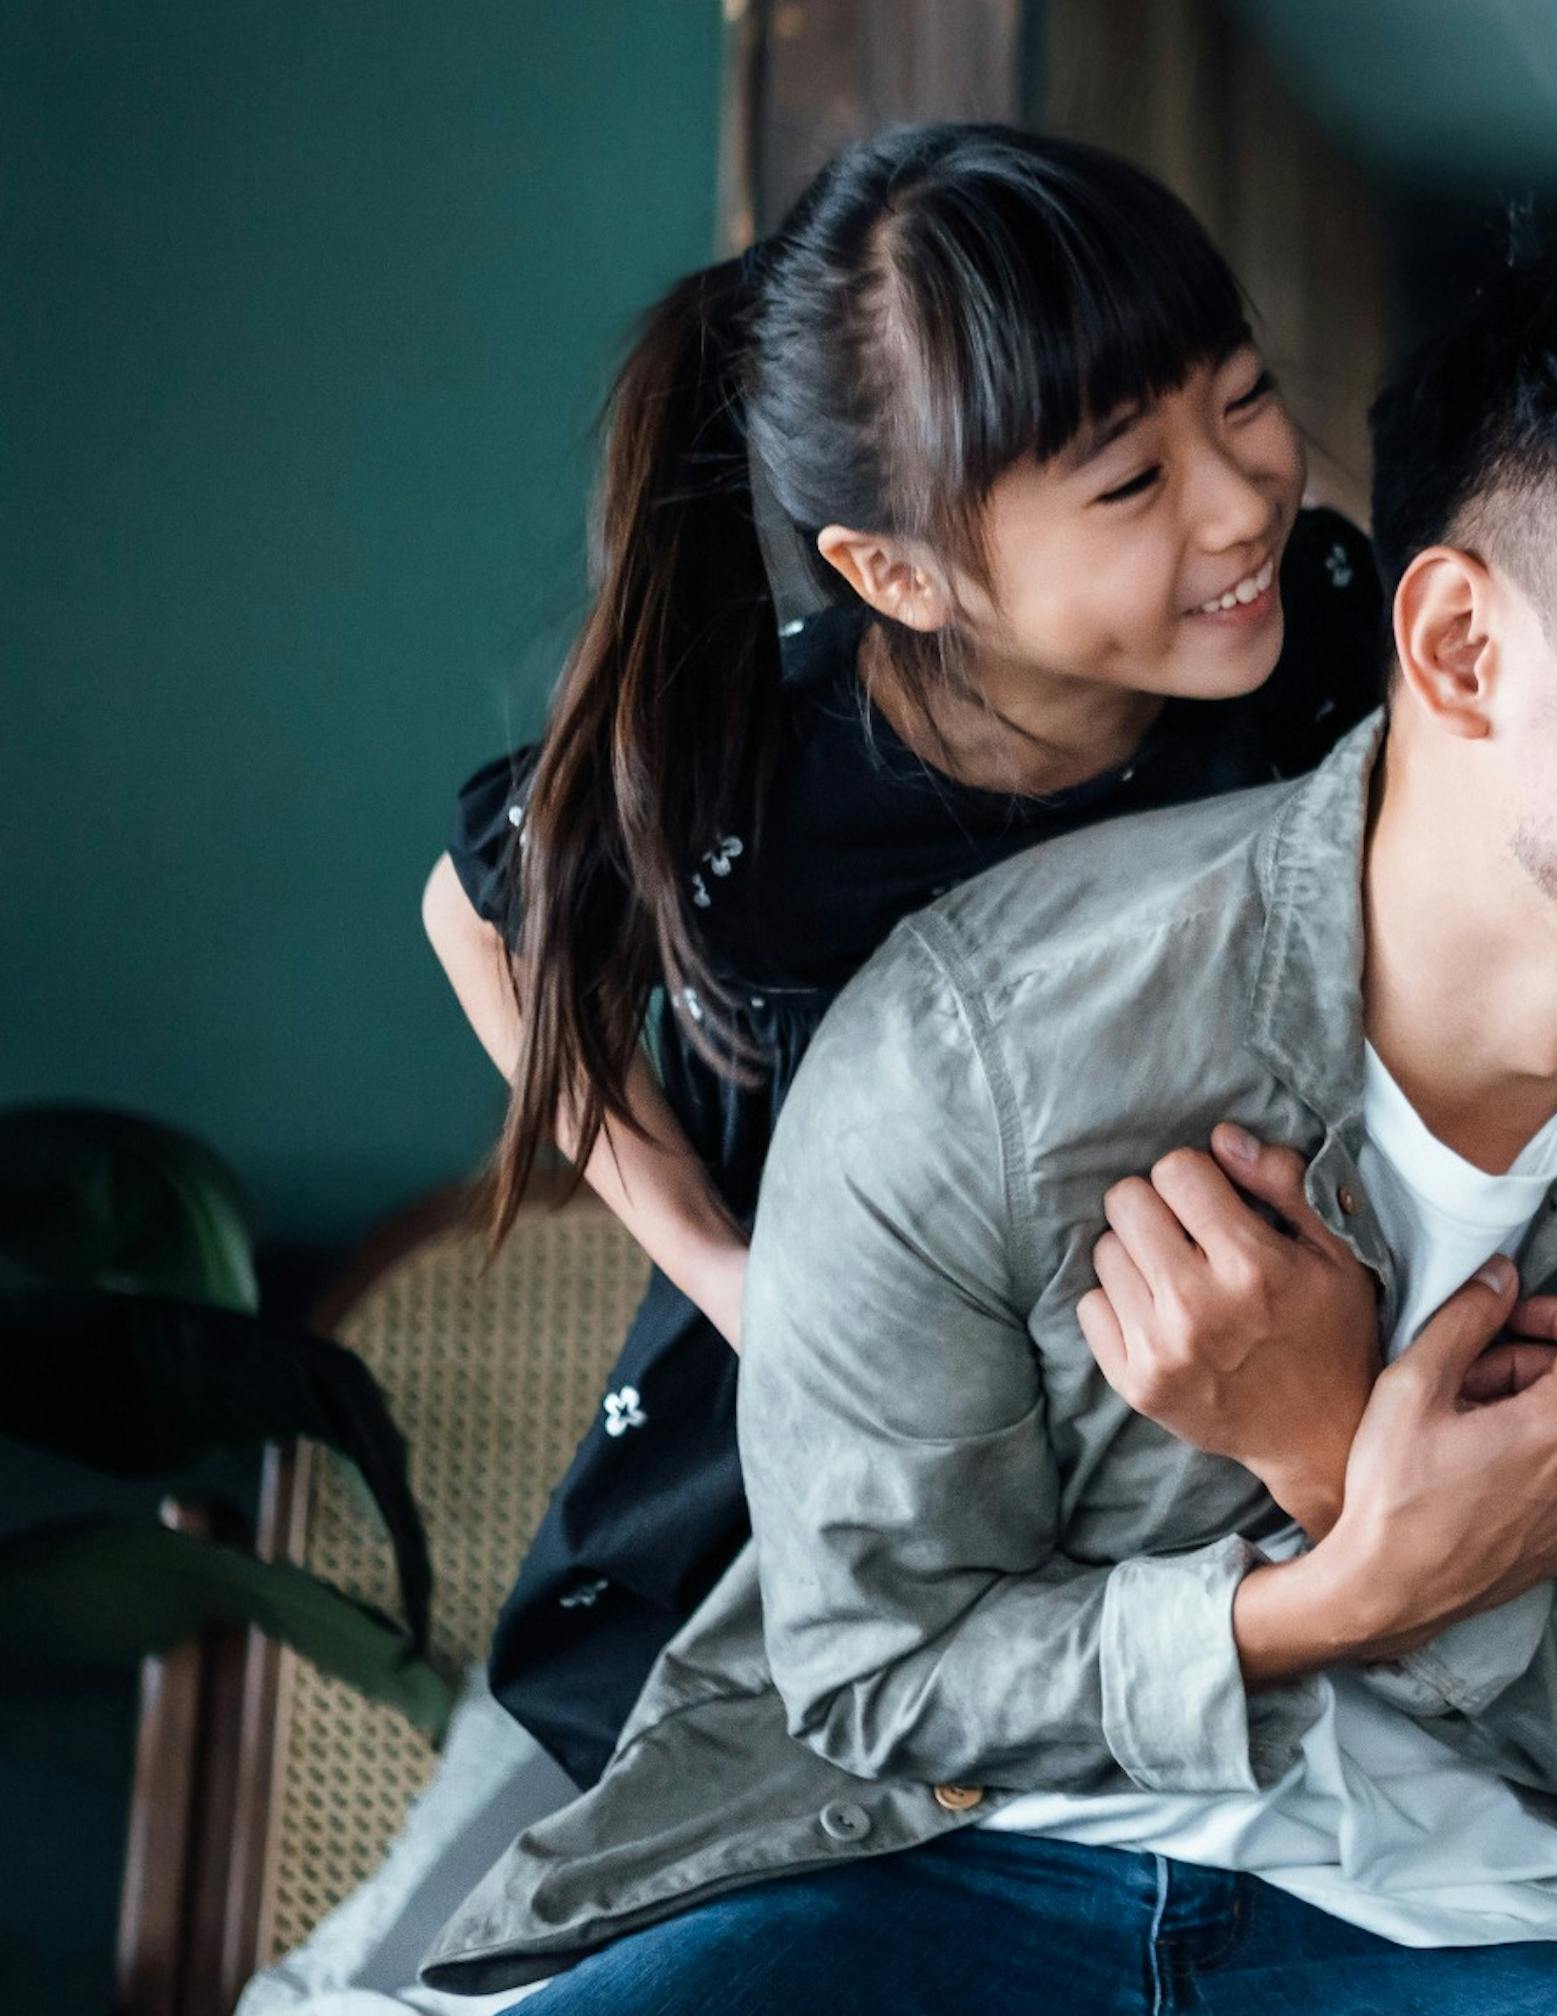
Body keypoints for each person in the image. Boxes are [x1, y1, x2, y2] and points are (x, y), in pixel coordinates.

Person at [413, 225, 1557, 2016]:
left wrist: (1337, 1465)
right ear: (1458, 647)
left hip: (1492, 1925)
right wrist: (1319, 1589)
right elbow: (874, 1677)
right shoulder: (972, 1026)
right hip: (937, 1855)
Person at [419, 121, 1384, 1792]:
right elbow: (477, 911)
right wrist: (727, 1269)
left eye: (1240, 398)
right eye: (1131, 482)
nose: (1243, 502)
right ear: (898, 573)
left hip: (1182, 1409)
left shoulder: (1321, 628)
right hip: (831, 1468)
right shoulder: (758, 779)